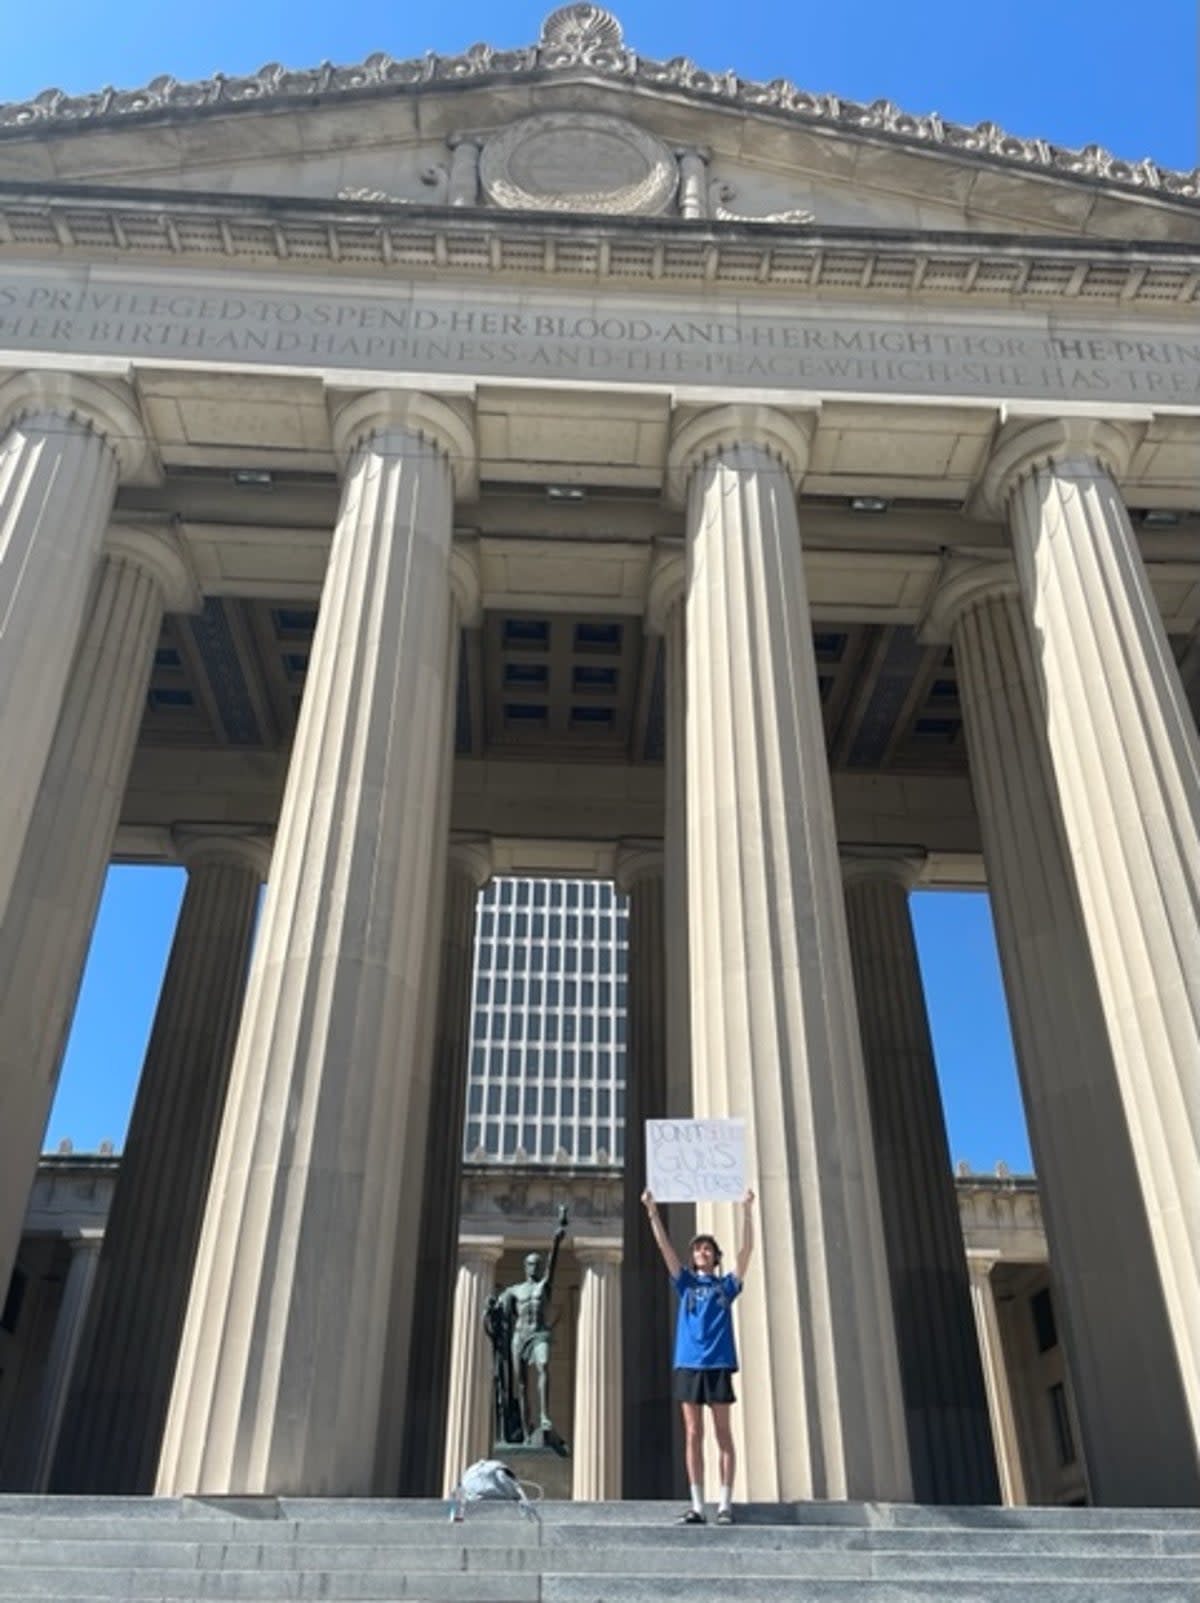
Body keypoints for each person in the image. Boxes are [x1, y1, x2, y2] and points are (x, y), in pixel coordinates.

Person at [642, 1185, 755, 1526]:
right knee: (693, 1433)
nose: (702, 1252)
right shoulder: (686, 1283)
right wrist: (652, 1211)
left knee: (723, 1434)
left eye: (707, 1248)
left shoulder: (726, 1286)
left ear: (715, 1256)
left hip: (718, 1364)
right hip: (689, 1364)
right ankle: (697, 1504)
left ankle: (724, 1504)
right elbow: (664, 1248)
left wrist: (747, 1211)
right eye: (698, 1249)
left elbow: (747, 1251)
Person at [501, 1206, 568, 1444]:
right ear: (525, 1267)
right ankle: (527, 1430)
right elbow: (499, 1313)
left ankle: (545, 1417)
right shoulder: (515, 1290)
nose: (534, 1268)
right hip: (520, 1335)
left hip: (539, 1333)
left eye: (536, 1264)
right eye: (530, 1264)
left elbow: (553, 1263)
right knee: (520, 1384)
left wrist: (556, 1239)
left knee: (544, 1365)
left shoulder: (543, 1287)